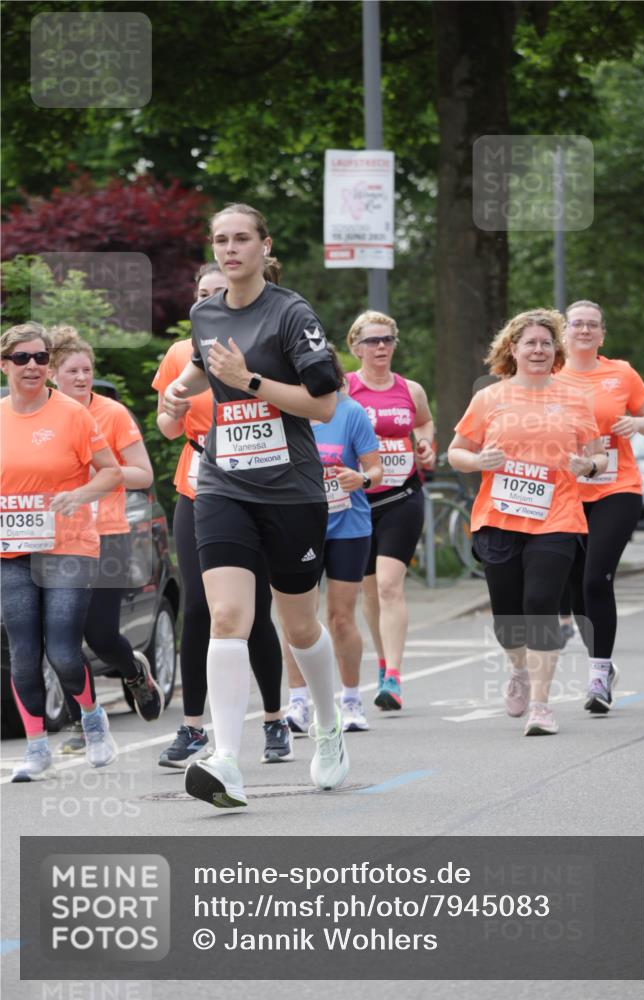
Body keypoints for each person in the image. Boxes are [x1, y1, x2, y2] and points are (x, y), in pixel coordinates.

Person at [162, 203, 349, 808]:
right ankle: (225, 759)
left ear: (265, 246)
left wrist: (248, 382)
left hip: (291, 489)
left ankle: (327, 726)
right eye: (220, 239)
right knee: (226, 617)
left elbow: (323, 406)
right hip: (223, 484)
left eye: (242, 238)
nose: (230, 248)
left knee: (297, 624)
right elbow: (199, 364)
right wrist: (178, 392)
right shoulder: (204, 313)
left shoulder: (292, 314)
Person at [153, 263, 292, 767]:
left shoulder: (264, 339)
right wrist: (170, 408)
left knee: (252, 608)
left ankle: (275, 719)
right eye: (203, 294)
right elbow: (168, 428)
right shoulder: (179, 354)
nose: (211, 299)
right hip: (200, 481)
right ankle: (192, 727)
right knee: (199, 608)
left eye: (220, 291)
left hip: (257, 482)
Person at [448, 309, 607, 736]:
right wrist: (479, 460)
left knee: (541, 603)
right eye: (529, 343)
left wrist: (587, 465)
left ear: (556, 349)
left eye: (545, 342)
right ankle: (518, 668)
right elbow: (455, 452)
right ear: (512, 349)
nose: (538, 349)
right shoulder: (490, 398)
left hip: (558, 517)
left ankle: (541, 704)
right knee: (507, 617)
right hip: (499, 518)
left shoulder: (575, 398)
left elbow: (599, 455)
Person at [1, 322, 122, 780]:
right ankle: (36, 748)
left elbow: (111, 473)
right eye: (22, 358)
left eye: (40, 358)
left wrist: (80, 495)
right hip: (12, 551)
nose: (33, 366)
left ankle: (92, 719)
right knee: (24, 653)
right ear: (5, 364)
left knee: (65, 653)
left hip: (69, 547)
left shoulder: (72, 414)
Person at [46, 326, 163, 754]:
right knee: (61, 635)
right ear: (54, 375)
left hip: (108, 535)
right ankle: (83, 722)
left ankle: (133, 672)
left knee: (98, 634)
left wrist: (101, 475)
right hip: (58, 538)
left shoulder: (111, 414)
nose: (81, 378)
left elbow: (143, 474)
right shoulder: (43, 416)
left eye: (87, 370)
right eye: (73, 371)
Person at [557, 299, 644, 712]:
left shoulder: (621, 373)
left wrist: (637, 424)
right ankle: (603, 662)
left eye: (592, 325)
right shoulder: (549, 377)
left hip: (618, 487)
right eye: (577, 324)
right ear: (564, 331)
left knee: (597, 579)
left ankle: (598, 676)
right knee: (577, 590)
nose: (584, 330)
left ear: (602, 334)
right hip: (567, 493)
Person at [285, 355, 382, 734]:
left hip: (347, 524)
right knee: (296, 619)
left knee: (341, 617)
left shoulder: (350, 411)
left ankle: (352, 698)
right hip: (295, 525)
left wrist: (362, 478)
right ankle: (297, 701)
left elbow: (375, 468)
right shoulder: (280, 410)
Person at [346, 311, 436, 711]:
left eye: (387, 340)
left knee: (388, 585)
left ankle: (395, 679)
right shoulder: (345, 390)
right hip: (359, 500)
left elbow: (425, 422)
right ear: (355, 347)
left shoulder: (410, 389)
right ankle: (383, 664)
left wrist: (425, 444)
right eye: (372, 341)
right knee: (368, 590)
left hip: (402, 496)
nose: (380, 347)